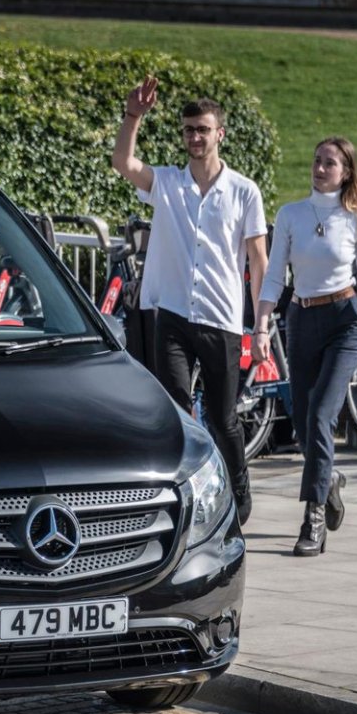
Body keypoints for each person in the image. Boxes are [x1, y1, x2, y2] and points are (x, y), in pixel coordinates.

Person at [111, 75, 269, 526]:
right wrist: (133, 115)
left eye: (203, 129)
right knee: (176, 411)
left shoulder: (244, 191)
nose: (195, 137)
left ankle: (239, 489)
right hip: (174, 317)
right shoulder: (168, 183)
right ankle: (189, 501)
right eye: (188, 130)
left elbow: (258, 262)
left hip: (221, 319)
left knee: (223, 419)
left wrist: (261, 326)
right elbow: (123, 162)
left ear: (220, 134)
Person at [252, 137, 357, 557]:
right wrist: (261, 325)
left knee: (322, 414)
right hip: (301, 320)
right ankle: (329, 480)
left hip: (345, 323)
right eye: (317, 160)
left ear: (346, 173)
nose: (320, 168)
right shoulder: (290, 215)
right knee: (304, 422)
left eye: (330, 163)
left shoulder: (356, 217)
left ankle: (313, 520)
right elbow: (275, 276)